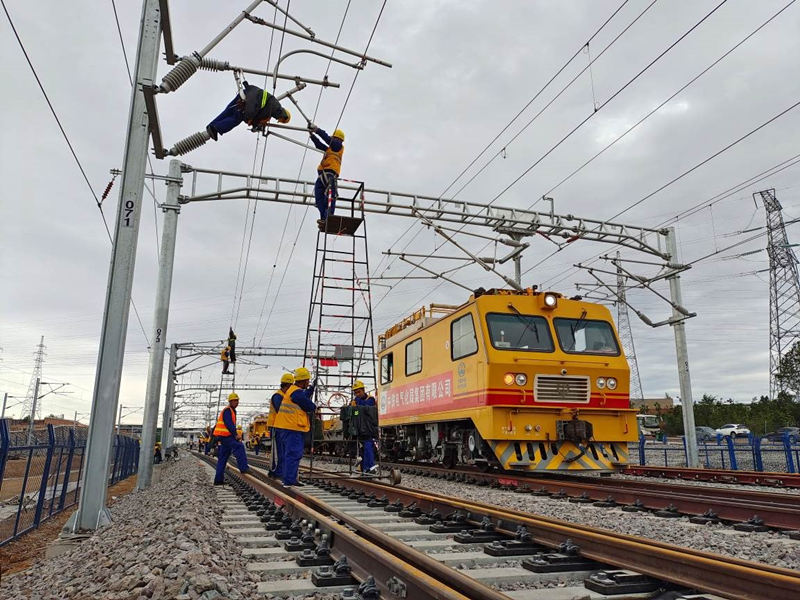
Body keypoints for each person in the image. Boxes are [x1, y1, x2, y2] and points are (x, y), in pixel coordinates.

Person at [273, 367, 316, 486]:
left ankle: (290, 479)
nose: (308, 383)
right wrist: (313, 406)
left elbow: (303, 396)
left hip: (289, 427)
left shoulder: (294, 390)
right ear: (303, 381)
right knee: (294, 453)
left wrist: (311, 389)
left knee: (292, 453)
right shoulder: (296, 392)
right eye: (307, 381)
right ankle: (288, 481)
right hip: (291, 428)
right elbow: (306, 404)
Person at [206, 82, 291, 140]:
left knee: (229, 110)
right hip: (250, 101)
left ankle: (211, 125)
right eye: (281, 120)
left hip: (247, 93)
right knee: (237, 118)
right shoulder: (277, 109)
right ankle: (216, 128)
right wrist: (251, 121)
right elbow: (256, 113)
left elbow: (260, 111)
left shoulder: (273, 105)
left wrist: (255, 124)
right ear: (284, 117)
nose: (278, 120)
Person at [309, 126, 345, 227]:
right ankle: (323, 218)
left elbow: (327, 139)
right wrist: (312, 136)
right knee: (319, 198)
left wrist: (317, 130)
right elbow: (319, 145)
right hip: (322, 176)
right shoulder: (331, 149)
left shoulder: (338, 146)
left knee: (330, 197)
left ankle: (329, 216)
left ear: (338, 139)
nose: (332, 139)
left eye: (334, 138)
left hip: (331, 176)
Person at [212, 393, 250, 485]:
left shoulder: (232, 411)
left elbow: (230, 425)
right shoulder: (228, 411)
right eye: (235, 401)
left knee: (223, 458)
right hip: (225, 436)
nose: (236, 402)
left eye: (237, 401)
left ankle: (218, 480)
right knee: (239, 446)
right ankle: (244, 468)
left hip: (224, 436)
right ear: (230, 401)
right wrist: (236, 435)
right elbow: (229, 424)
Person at [267, 372, 295, 478]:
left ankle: (276, 472)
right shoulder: (278, 396)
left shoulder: (283, 396)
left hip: (281, 427)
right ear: (287, 385)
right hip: (276, 427)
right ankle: (277, 472)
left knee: (281, 451)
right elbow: (282, 410)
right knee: (278, 451)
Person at [352, 380, 379, 474]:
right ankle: (364, 468)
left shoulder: (370, 400)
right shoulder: (355, 402)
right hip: (360, 429)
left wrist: (357, 404)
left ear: (363, 390)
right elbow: (356, 414)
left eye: (358, 392)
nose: (357, 394)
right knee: (362, 449)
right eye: (355, 393)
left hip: (369, 429)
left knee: (368, 447)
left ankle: (370, 467)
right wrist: (354, 410)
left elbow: (366, 408)